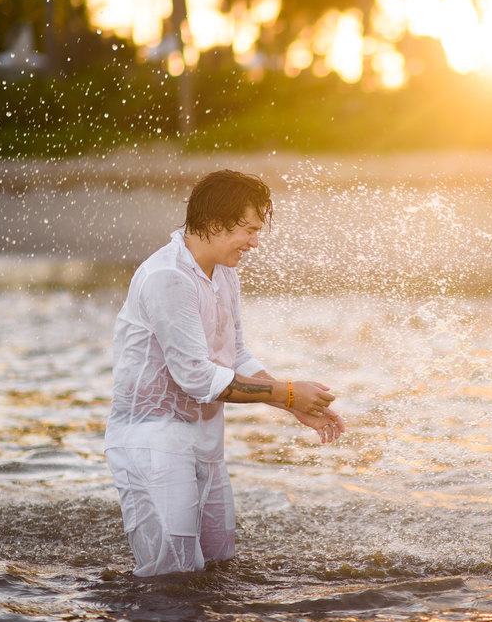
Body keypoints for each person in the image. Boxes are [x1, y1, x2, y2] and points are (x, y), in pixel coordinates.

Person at [104, 169, 345, 577]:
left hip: (205, 439)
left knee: (219, 565)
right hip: (153, 441)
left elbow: (236, 354)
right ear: (215, 225)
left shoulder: (224, 270)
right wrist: (288, 393)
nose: (254, 243)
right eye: (249, 230)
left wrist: (292, 404)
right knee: (172, 580)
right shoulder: (168, 278)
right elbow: (197, 377)